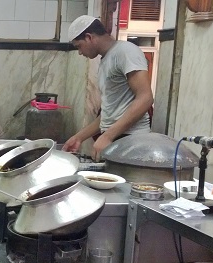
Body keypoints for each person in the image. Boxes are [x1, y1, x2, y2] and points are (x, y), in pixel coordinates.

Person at [62, 15, 153, 160]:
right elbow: (109, 114)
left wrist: (108, 136)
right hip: (116, 137)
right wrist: (79, 138)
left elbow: (146, 98)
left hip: (132, 141)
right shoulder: (106, 59)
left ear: (89, 37)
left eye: (79, 46)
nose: (80, 52)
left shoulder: (126, 51)